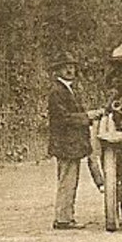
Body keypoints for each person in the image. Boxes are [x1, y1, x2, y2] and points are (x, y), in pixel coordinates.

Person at [48, 57, 103, 230]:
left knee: (70, 181)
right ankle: (63, 219)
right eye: (66, 68)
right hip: (65, 144)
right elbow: (63, 119)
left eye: (72, 67)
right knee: (67, 181)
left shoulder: (69, 89)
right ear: (58, 71)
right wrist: (88, 116)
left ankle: (66, 217)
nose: (70, 71)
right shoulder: (57, 91)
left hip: (71, 144)